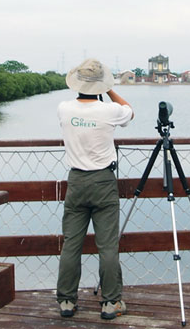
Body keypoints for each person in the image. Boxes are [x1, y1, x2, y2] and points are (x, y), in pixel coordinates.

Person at [56, 58, 133, 319]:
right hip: (103, 181)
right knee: (108, 246)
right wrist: (109, 89)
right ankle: (110, 303)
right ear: (100, 85)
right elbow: (128, 111)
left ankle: (66, 301)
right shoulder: (108, 111)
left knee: (71, 244)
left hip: (76, 181)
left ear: (77, 83)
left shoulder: (64, 109)